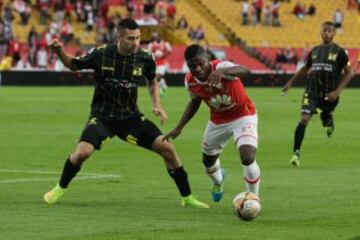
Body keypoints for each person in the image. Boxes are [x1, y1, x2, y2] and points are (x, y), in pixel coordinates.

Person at [43, 18, 209, 209]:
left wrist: (157, 105)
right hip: (103, 117)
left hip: (131, 118)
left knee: (167, 149)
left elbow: (152, 81)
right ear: (119, 37)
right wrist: (58, 51)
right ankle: (59, 188)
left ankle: (187, 197)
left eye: (138, 38)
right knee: (81, 153)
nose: (136, 43)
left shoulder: (146, 57)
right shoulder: (101, 54)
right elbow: (73, 64)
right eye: (131, 38)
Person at [163, 44, 261, 202]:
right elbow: (195, 102)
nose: (198, 68)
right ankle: (218, 181)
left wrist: (223, 72)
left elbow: (246, 71)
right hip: (218, 122)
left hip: (243, 116)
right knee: (208, 163)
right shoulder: (190, 80)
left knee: (247, 157)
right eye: (192, 65)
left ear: (208, 59)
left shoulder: (222, 66)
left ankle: (253, 198)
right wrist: (179, 127)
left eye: (200, 63)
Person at [282, 21, 353, 167]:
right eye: (324, 31)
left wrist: (337, 91)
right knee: (304, 119)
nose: (326, 33)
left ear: (333, 33)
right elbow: (305, 68)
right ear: (320, 33)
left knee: (325, 117)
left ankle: (328, 121)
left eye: (329, 31)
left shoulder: (339, 52)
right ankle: (296, 154)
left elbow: (349, 73)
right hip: (312, 91)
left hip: (329, 94)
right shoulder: (314, 51)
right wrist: (290, 83)